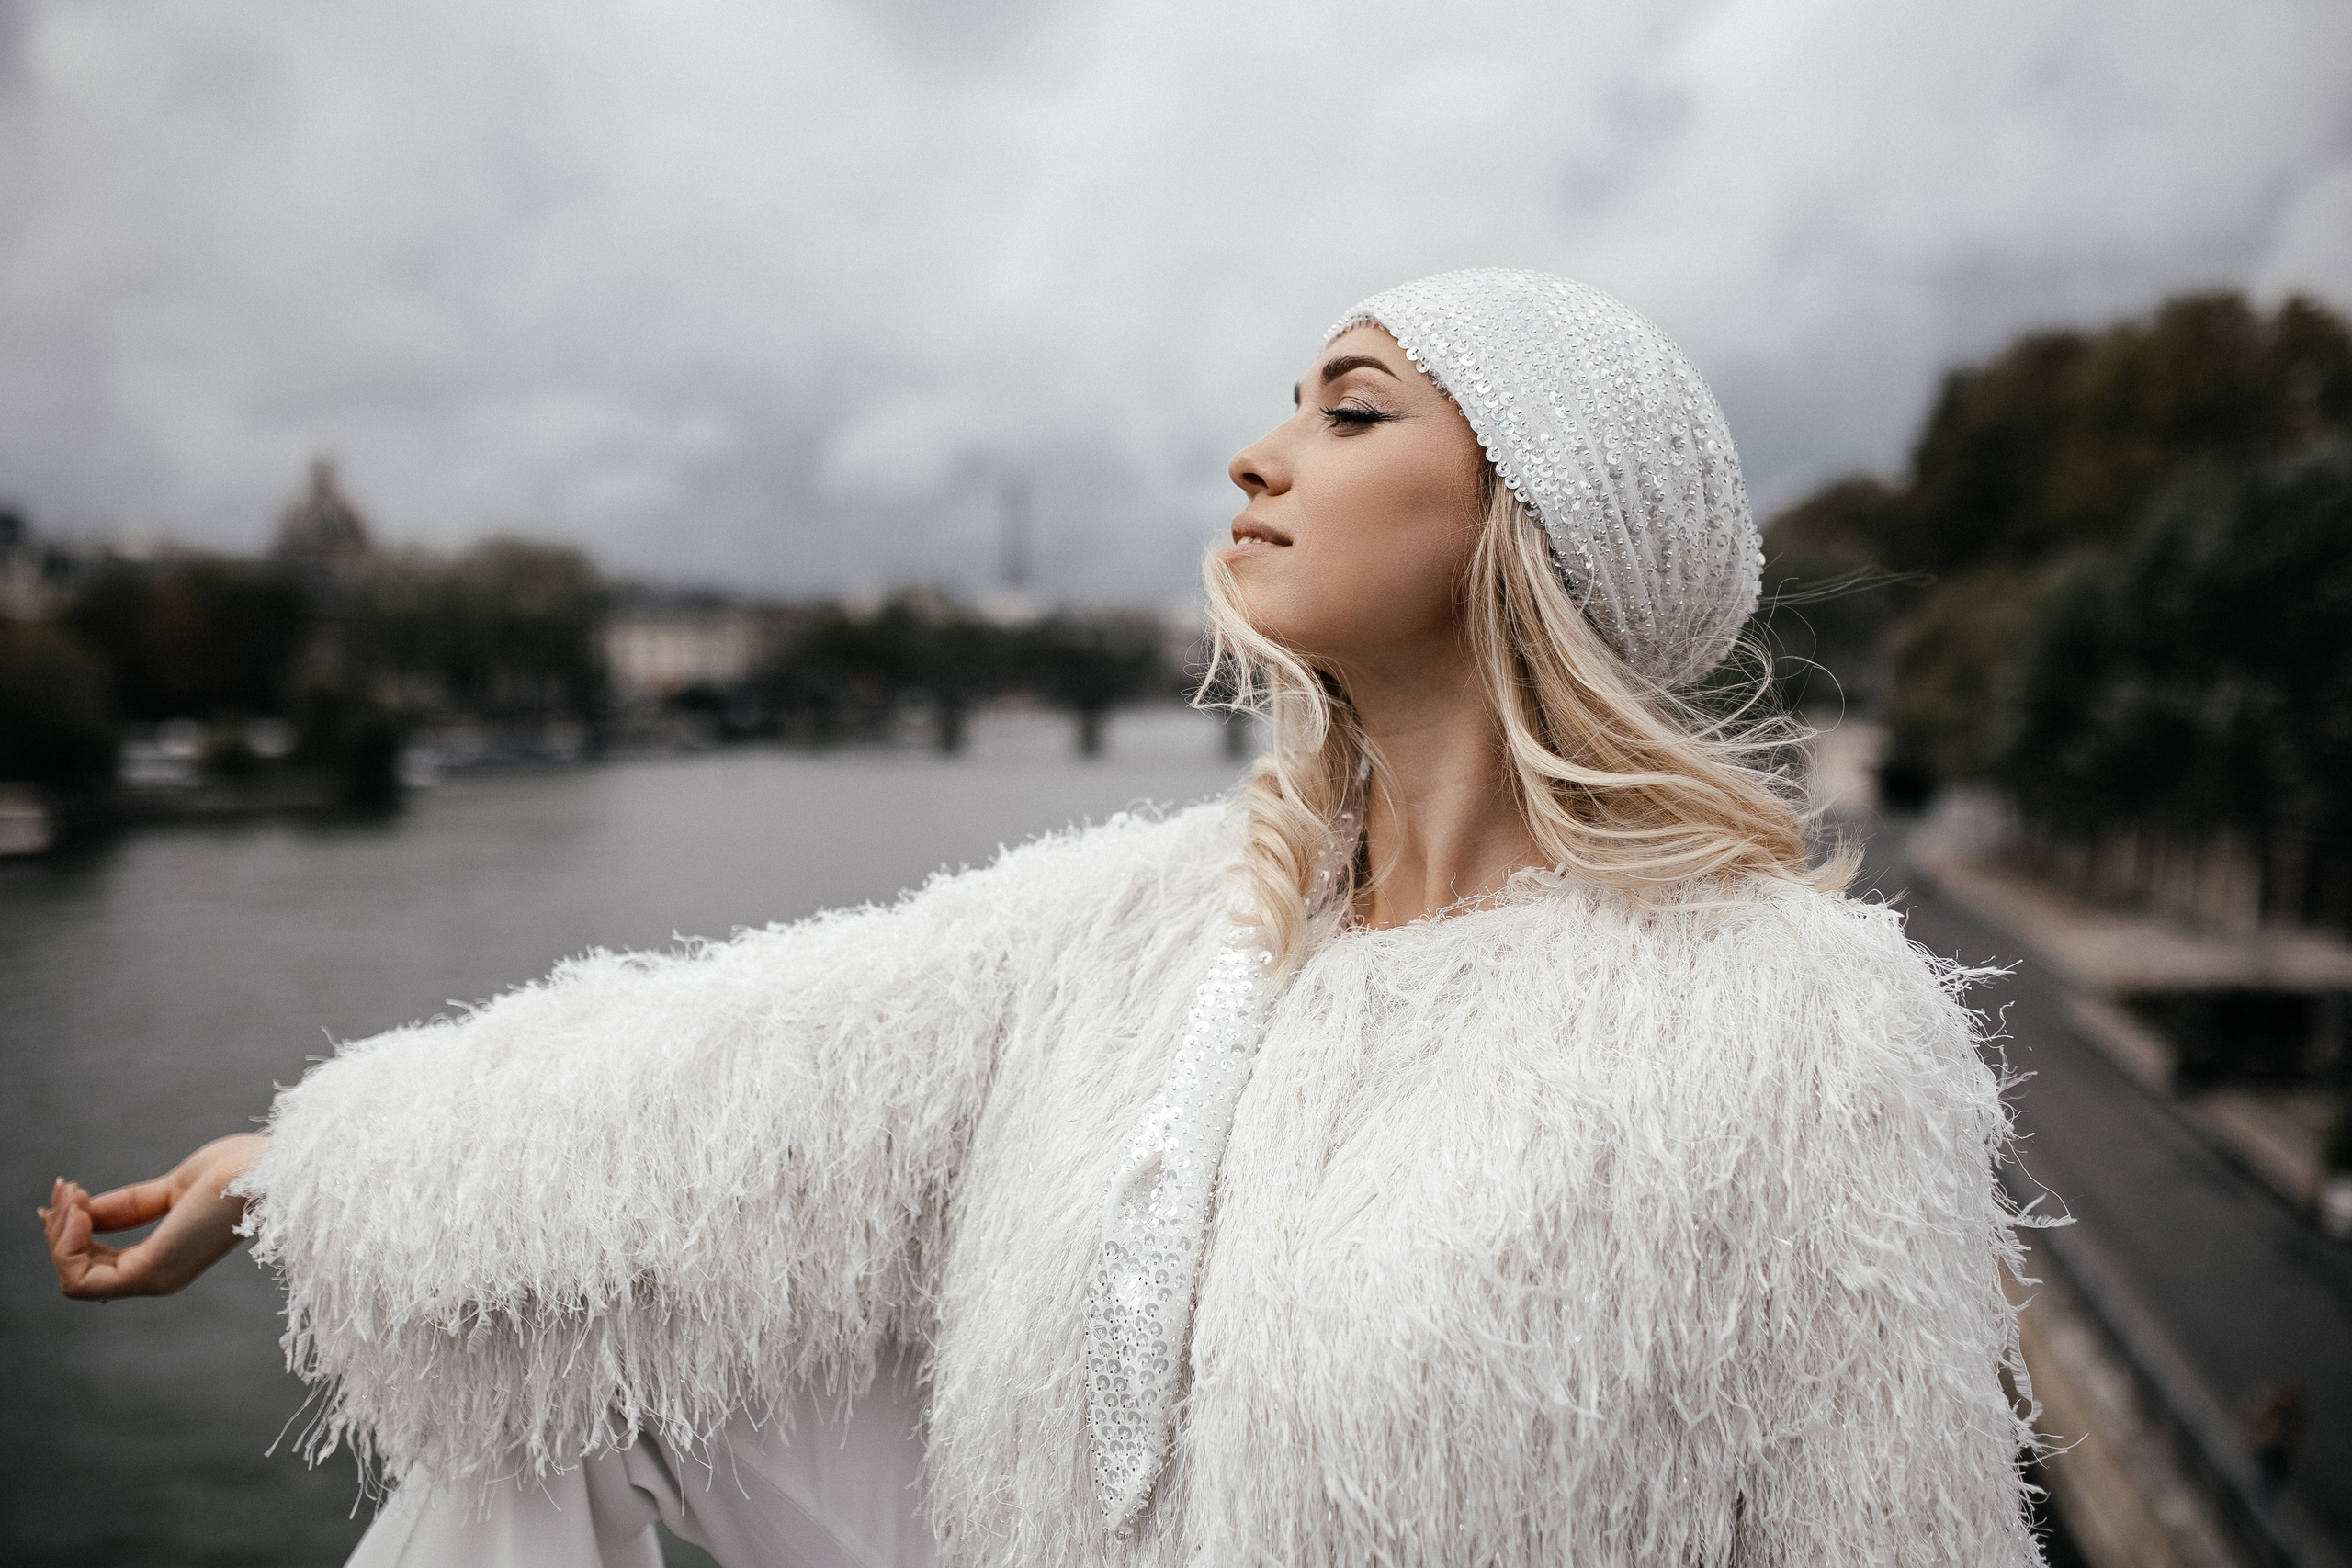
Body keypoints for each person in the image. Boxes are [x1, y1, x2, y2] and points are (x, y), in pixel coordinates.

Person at [40, 268, 2043, 1566]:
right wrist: (298, 1166)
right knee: (545, 1438)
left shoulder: (1796, 1022)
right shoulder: (1155, 912)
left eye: (1353, 414)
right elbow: (722, 1077)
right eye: (1285, 404)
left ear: (1537, 528)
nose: (1256, 453)